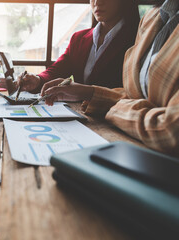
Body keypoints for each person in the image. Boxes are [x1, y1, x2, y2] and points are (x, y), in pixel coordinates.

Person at [40, 0, 179, 156]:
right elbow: (133, 94)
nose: (97, 2)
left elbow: (170, 130)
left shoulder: (133, 32)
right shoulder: (153, 17)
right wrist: (88, 92)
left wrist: (112, 107)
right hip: (123, 140)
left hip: (159, 158)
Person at [17, 0, 140, 93]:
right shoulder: (79, 38)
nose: (97, 2)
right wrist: (37, 80)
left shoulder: (137, 40)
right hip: (81, 117)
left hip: (114, 120)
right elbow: (57, 70)